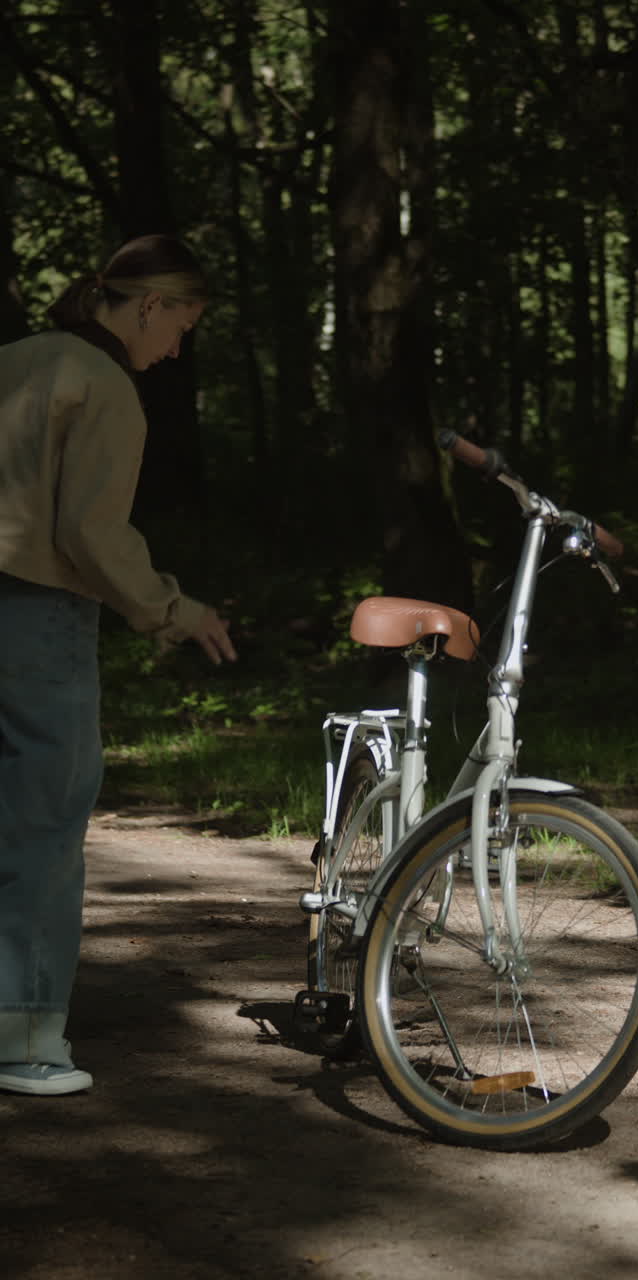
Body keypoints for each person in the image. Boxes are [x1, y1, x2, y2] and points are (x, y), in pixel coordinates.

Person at [0, 233, 237, 1096]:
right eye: (181, 326)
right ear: (149, 305)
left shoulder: (16, 360)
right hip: (37, 619)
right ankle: (24, 1046)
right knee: (44, 828)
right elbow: (89, 534)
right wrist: (175, 612)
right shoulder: (105, 386)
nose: (175, 348)